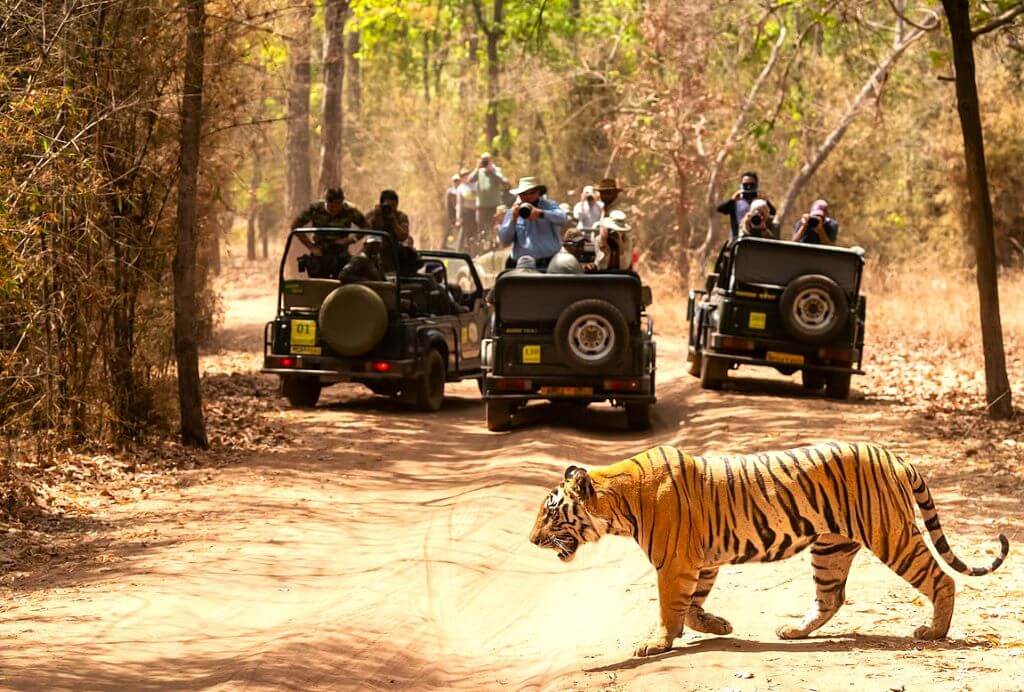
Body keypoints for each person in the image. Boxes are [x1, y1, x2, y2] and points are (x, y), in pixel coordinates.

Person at [291, 187, 368, 278]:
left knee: (347, 277)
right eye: (331, 206)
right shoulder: (315, 209)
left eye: (338, 206)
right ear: (326, 202)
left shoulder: (350, 210)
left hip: (341, 253)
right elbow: (295, 226)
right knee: (318, 283)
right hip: (319, 253)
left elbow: (366, 227)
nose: (334, 209)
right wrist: (311, 246)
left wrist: (351, 239)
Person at [498, 176, 568, 270]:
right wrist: (513, 220)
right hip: (522, 265)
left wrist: (541, 213)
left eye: (531, 193)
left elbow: (563, 219)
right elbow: (504, 241)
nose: (527, 196)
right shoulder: (514, 211)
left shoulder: (549, 206)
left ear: (538, 192)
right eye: (523, 194)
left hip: (549, 263)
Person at [716, 171, 776, 242]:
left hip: (759, 240)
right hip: (737, 240)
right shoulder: (736, 202)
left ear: (756, 185)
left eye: (751, 185)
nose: (748, 187)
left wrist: (766, 201)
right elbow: (720, 209)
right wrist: (732, 200)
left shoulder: (761, 202)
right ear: (741, 185)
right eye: (745, 185)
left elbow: (773, 212)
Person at [469, 152, 509, 247]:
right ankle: (482, 247)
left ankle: (497, 245)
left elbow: (503, 181)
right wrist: (477, 168)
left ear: (491, 160)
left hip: (494, 205)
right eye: (484, 160)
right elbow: (470, 180)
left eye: (487, 160)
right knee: (482, 228)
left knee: (495, 227)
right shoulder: (479, 171)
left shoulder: (496, 170)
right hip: (482, 206)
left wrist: (492, 171)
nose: (485, 162)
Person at [455, 168, 478, 254]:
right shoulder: (461, 188)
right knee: (463, 233)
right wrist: (459, 217)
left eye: (467, 175)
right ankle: (458, 252)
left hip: (475, 213)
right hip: (466, 213)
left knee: (474, 234)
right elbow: (459, 204)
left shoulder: (475, 185)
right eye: (464, 176)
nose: (466, 177)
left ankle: (474, 253)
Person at [445, 173, 460, 246]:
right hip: (455, 217)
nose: (456, 182)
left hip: (463, 216)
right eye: (455, 181)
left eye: (458, 181)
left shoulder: (463, 190)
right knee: (457, 234)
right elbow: (449, 207)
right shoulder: (450, 193)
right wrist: (452, 219)